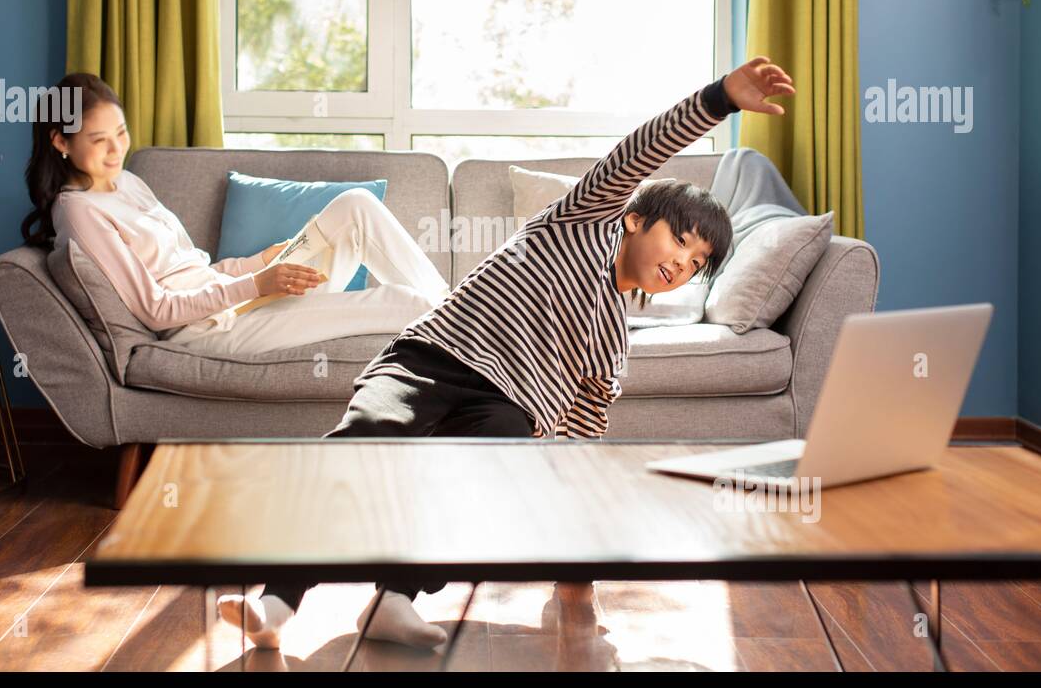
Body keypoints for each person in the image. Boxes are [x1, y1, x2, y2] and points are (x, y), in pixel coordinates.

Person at [220, 56, 796, 651]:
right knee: (362, 443)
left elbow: (580, 445)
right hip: (430, 362)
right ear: (634, 220)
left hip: (507, 411)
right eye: (679, 239)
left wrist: (580, 563)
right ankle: (277, 602)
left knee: (487, 476)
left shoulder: (613, 342)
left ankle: (394, 598)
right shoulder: (583, 223)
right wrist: (720, 98)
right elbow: (640, 149)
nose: (682, 263)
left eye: (697, 263)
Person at [21, 72, 451, 355]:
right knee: (408, 301)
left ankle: (467, 316)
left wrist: (261, 262)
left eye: (120, 132)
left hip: (240, 297)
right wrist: (256, 284)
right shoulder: (81, 213)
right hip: (210, 329)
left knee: (356, 205)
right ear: (61, 141)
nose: (117, 149)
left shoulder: (127, 181)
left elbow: (199, 269)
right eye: (100, 140)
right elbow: (156, 310)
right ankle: (476, 337)